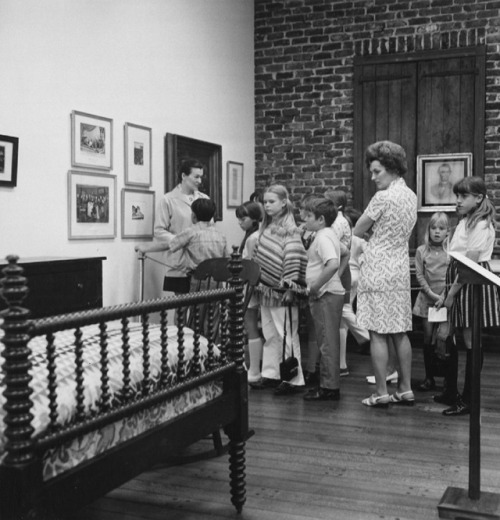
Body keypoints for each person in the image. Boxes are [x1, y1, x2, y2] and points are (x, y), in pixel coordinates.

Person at [353, 140, 417, 407]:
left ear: (392, 168)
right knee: (400, 331)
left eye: (377, 171)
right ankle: (405, 388)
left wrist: (372, 234)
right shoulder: (411, 196)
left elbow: (358, 228)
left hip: (378, 268)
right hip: (400, 268)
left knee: (378, 333)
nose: (372, 176)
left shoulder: (383, 197)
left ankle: (380, 392)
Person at [435, 176, 500, 416]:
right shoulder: (466, 221)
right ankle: (452, 391)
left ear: (479, 198)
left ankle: (469, 399)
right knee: (457, 337)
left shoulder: (481, 224)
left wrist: (450, 295)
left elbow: (470, 265)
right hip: (459, 279)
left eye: (464, 196)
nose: (458, 201)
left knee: (472, 342)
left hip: (471, 282)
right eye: (457, 196)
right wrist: (448, 290)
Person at [250, 184, 308, 395]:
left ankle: (294, 378)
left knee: (286, 334)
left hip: (282, 291)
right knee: (270, 333)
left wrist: (291, 287)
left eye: (271, 201)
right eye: (265, 202)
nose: (267, 205)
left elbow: (294, 259)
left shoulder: (291, 230)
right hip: (265, 289)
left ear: (284, 202)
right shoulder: (266, 227)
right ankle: (272, 373)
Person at [302, 198, 349, 401]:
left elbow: (331, 263)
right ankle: (327, 384)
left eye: (309, 216)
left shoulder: (322, 237)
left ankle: (330, 388)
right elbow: (345, 253)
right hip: (329, 293)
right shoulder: (328, 234)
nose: (304, 219)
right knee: (327, 340)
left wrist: (315, 287)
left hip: (325, 295)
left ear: (321, 219)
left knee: (327, 342)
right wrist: (337, 276)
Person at [136, 198, 227, 288]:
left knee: (197, 302)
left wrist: (144, 248)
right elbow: (227, 258)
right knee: (214, 302)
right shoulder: (220, 235)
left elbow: (169, 245)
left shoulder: (191, 232)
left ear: (194, 216)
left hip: (199, 282)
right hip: (217, 282)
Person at [153, 158, 209, 294]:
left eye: (201, 177)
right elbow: (159, 230)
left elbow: (210, 227)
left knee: (200, 308)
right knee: (181, 309)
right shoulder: (168, 200)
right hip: (179, 262)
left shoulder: (205, 199)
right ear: (183, 176)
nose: (200, 181)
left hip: (201, 261)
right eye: (196, 177)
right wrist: (181, 239)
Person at [412, 212, 450, 391]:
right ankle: (429, 377)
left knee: (444, 337)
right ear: (429, 230)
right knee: (428, 339)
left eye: (441, 228)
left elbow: (452, 276)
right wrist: (433, 295)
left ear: (447, 232)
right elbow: (419, 275)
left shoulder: (450, 252)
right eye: (433, 228)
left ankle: (447, 377)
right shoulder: (421, 251)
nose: (437, 232)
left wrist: (444, 297)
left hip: (445, 301)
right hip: (427, 300)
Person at [236, 200, 264, 383]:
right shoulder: (251, 235)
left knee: (251, 326)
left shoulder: (253, 238)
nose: (240, 222)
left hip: (251, 285)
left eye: (243, 218)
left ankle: (254, 370)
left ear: (254, 218)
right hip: (254, 285)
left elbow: (250, 264)